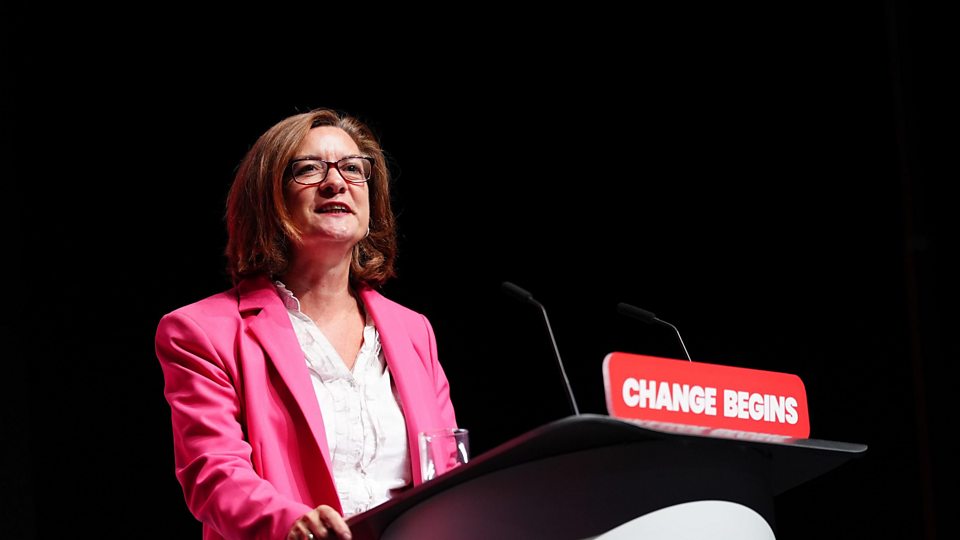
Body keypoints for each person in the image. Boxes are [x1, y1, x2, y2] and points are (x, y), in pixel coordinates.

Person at [155, 108, 458, 540]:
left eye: (354, 168)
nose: (336, 182)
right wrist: (290, 524)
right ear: (268, 199)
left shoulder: (414, 331)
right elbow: (214, 474)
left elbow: (446, 467)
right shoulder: (202, 331)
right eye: (309, 169)